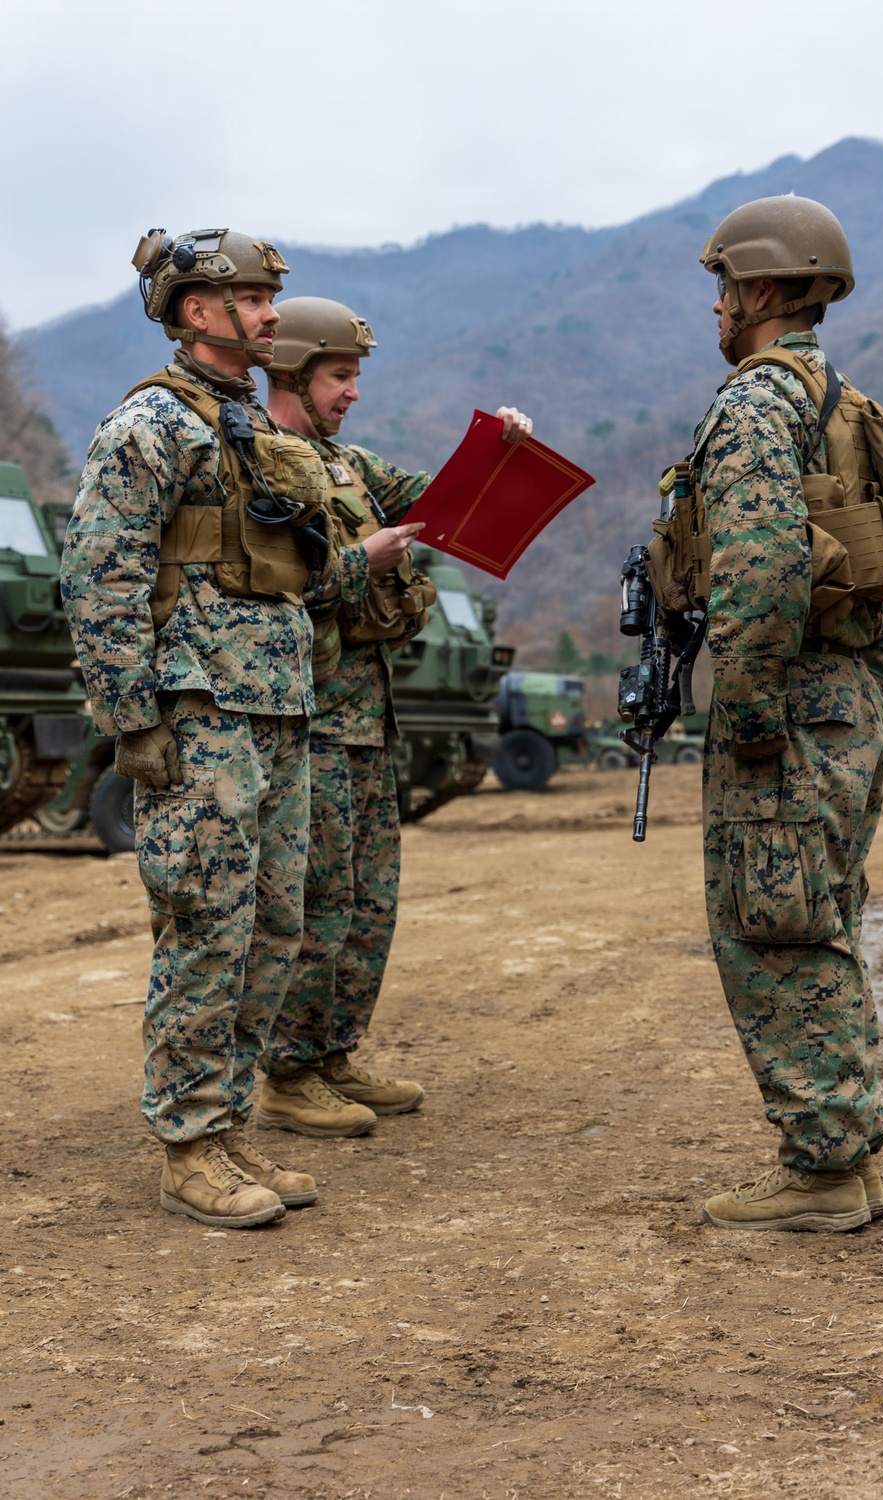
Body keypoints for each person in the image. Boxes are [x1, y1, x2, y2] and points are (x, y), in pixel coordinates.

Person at [682, 196, 883, 1231]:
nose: (715, 307)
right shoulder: (846, 406)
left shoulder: (756, 404)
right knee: (820, 925)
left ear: (757, 290)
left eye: (722, 287)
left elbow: (759, 570)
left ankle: (823, 1168)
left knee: (777, 932)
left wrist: (748, 714)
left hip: (787, 711)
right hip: (845, 704)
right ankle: (851, 1154)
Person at [61, 229, 328, 1228]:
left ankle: (227, 1123)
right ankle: (187, 1145)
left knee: (273, 925)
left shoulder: (248, 426)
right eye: (252, 298)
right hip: (199, 711)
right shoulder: (149, 424)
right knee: (205, 924)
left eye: (269, 296)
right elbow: (101, 576)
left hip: (276, 706)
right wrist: (131, 721)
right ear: (197, 311)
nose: (270, 312)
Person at [256, 296, 532, 1137]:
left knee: (370, 902)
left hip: (366, 721)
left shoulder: (347, 465)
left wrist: (501, 447)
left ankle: (333, 1052)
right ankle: (287, 1073)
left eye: (354, 378)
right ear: (292, 373)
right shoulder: (257, 462)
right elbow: (259, 590)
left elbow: (441, 502)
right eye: (340, 377)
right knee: (317, 901)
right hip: (306, 722)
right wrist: (359, 563)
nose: (353, 393)